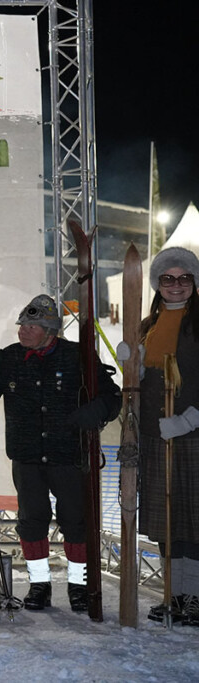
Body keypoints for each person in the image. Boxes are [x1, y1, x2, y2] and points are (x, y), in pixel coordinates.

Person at [0, 294, 120, 612]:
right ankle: (39, 585)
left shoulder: (77, 356)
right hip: (26, 456)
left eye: (31, 325)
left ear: (50, 330)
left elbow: (112, 395)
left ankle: (80, 587)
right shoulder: (9, 358)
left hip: (68, 455)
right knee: (31, 521)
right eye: (22, 324)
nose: (23, 330)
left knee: (76, 522)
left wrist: (96, 411)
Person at [134, 247, 199, 625]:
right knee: (166, 521)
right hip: (156, 435)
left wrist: (191, 419)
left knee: (193, 519)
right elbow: (142, 382)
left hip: (191, 435)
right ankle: (174, 596)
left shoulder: (198, 323)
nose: (176, 285)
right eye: (168, 279)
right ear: (158, 285)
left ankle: (195, 598)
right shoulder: (147, 326)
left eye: (184, 278)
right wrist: (134, 368)